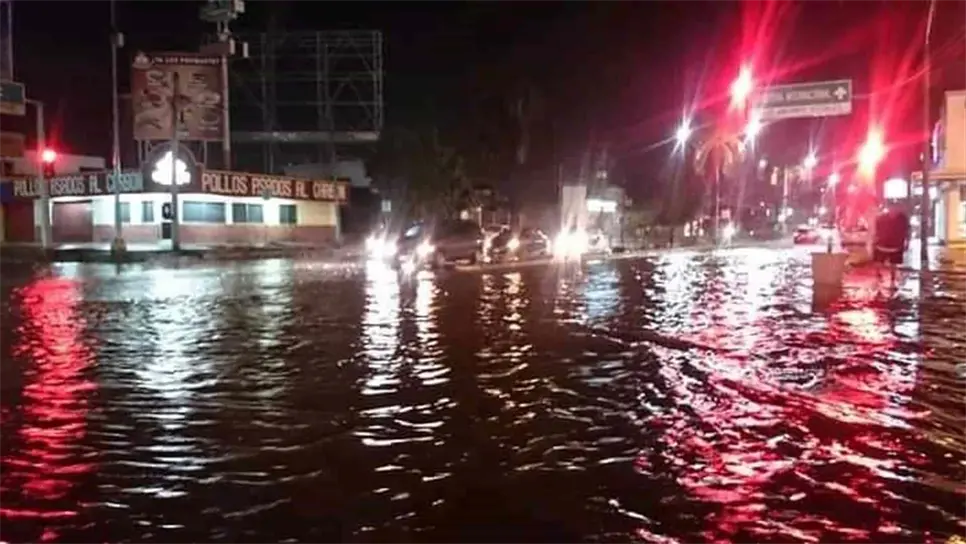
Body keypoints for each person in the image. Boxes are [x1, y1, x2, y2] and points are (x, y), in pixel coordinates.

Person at [872, 206, 910, 283]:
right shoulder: (901, 219)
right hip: (886, 245)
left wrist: (907, 242)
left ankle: (888, 279)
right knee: (883, 262)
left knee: (891, 263)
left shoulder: (901, 219)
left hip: (892, 245)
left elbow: (907, 231)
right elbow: (876, 230)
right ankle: (881, 277)